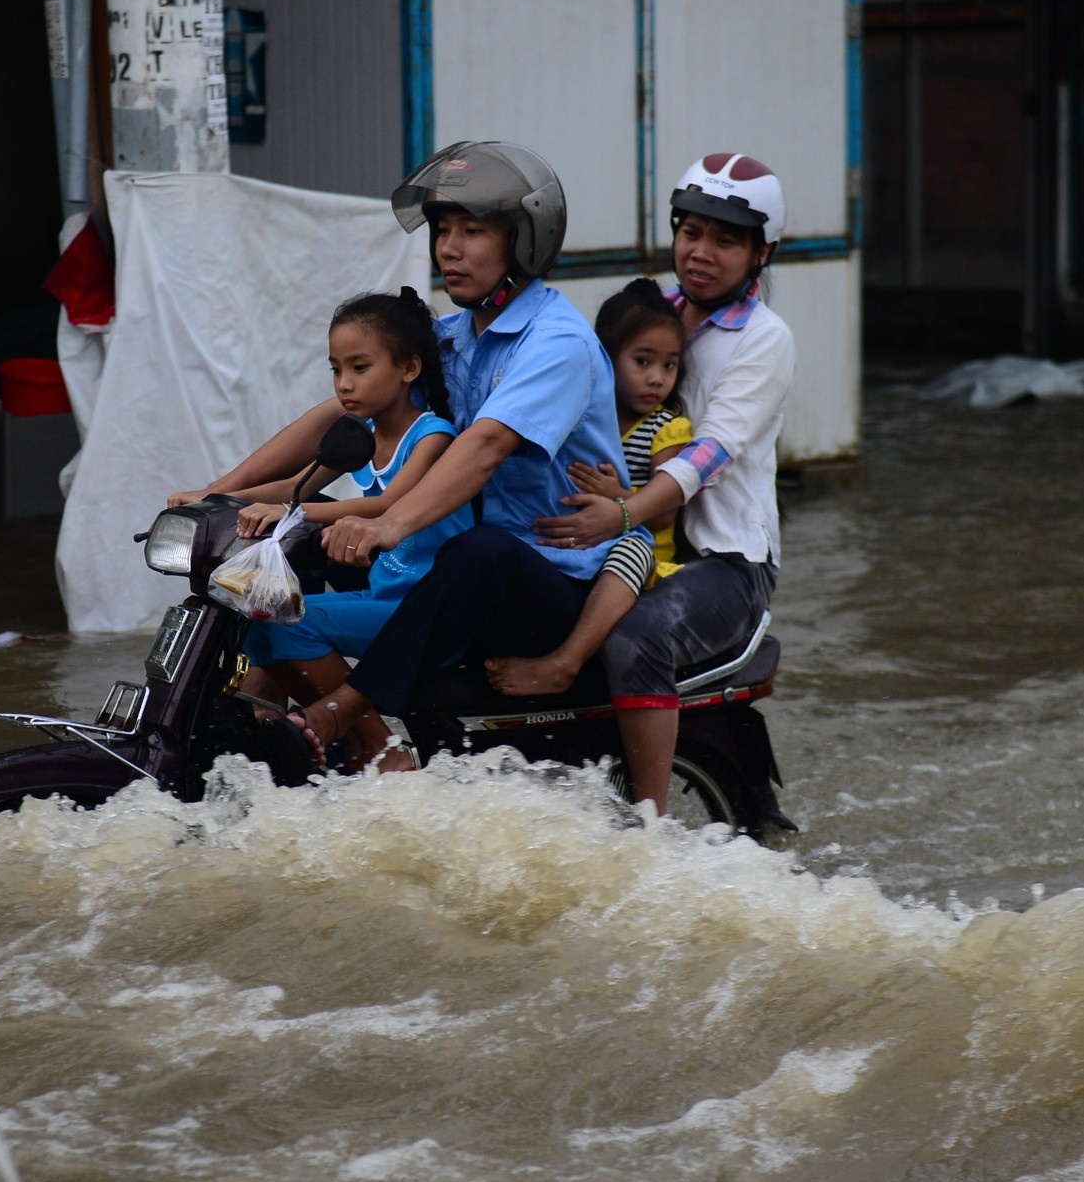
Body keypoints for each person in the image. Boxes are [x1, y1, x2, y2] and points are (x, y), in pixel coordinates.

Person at [184, 141, 651, 758]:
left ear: (524, 239)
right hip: (466, 570)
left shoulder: (555, 342)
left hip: (559, 579)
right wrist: (222, 490)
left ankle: (354, 720)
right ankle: (261, 725)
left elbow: (485, 446)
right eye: (443, 230)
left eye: (474, 231)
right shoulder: (456, 339)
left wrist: (388, 525)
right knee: (276, 582)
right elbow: (348, 405)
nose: (449, 249)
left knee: (480, 549)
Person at [532, 153, 796, 815]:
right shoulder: (651, 317)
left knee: (634, 640)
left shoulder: (764, 340)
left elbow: (704, 458)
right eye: (690, 232)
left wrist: (619, 515)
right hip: (639, 536)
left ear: (761, 252)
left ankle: (647, 831)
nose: (700, 252)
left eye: (725, 240)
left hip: (724, 563)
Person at [225, 288, 472, 768]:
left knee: (290, 619)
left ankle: (383, 746)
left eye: (360, 368)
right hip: (383, 597)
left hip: (426, 610)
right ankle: (350, 741)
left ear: (408, 369)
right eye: (336, 370)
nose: (345, 384)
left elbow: (388, 503)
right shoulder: (361, 437)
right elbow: (294, 486)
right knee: (260, 618)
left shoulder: (433, 434)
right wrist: (218, 499)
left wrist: (295, 514)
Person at [484, 278, 691, 696]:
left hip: (642, 553)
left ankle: (567, 662)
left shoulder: (667, 428)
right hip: (586, 544)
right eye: (643, 361)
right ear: (606, 358)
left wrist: (621, 499)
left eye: (669, 366)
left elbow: (667, 512)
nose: (656, 379)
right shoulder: (587, 416)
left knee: (633, 547)